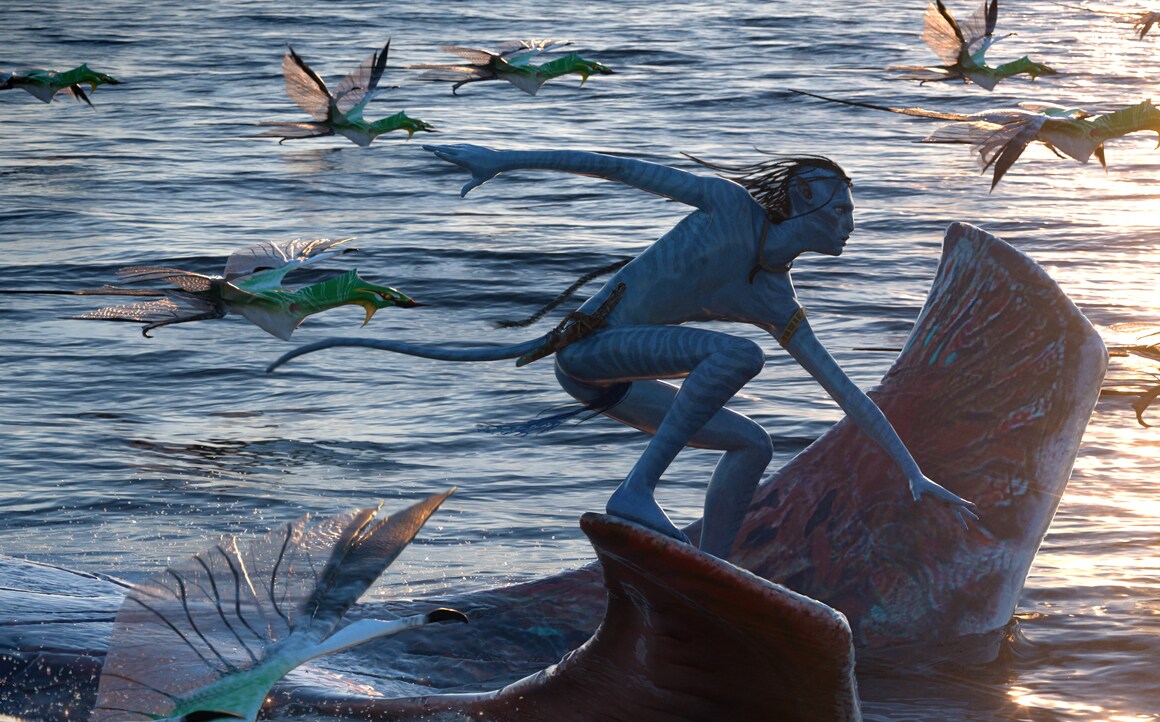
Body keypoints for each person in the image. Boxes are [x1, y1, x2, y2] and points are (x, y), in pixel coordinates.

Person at [270, 143, 975, 560]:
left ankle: (713, 570)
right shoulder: (729, 207)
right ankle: (635, 492)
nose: (852, 223)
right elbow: (619, 168)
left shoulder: (775, 299)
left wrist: (912, 475)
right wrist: (505, 159)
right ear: (803, 200)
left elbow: (844, 392)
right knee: (737, 357)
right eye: (842, 209)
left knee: (752, 445)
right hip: (591, 354)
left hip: (621, 380)